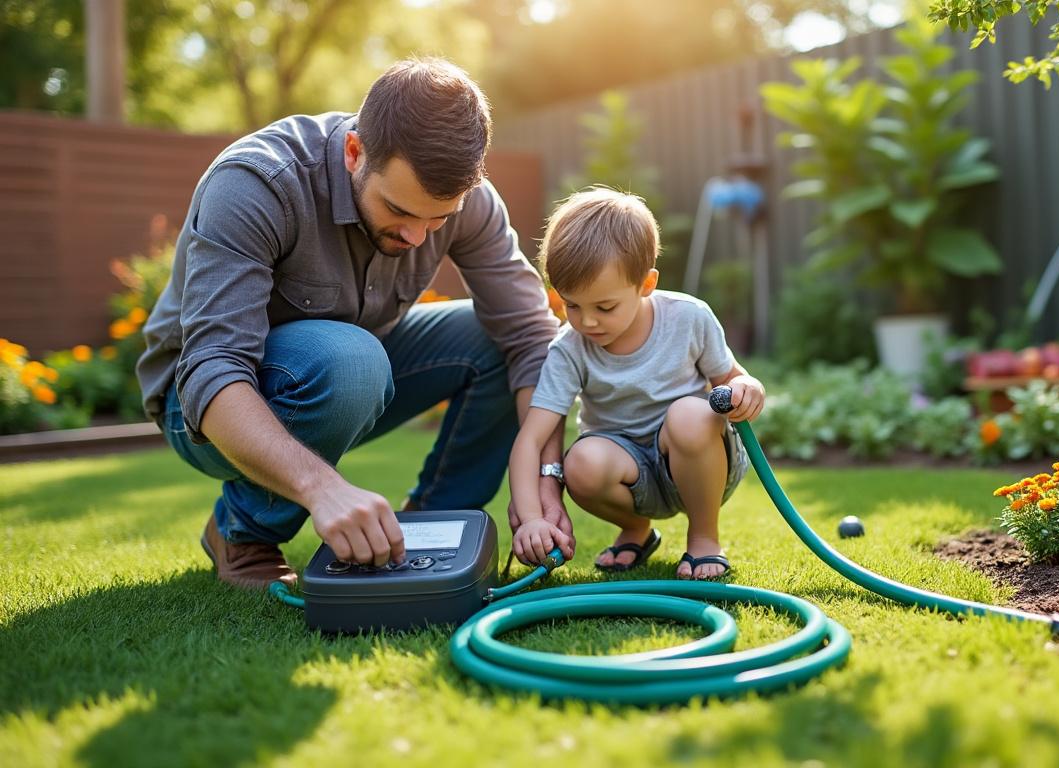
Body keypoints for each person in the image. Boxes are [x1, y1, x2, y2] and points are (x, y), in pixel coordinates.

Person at [137, 58, 574, 590]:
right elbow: (212, 369)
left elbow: (530, 338)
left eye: (437, 219)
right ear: (354, 152)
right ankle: (243, 532)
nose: (417, 237)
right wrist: (323, 488)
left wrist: (545, 477)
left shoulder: (470, 202)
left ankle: (428, 529)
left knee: (497, 339)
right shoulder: (257, 183)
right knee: (350, 358)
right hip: (200, 404)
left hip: (351, 368)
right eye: (398, 210)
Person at [508, 188, 764, 580]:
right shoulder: (568, 349)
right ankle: (635, 531)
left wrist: (750, 389)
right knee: (581, 463)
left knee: (688, 415)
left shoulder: (690, 318)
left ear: (646, 284)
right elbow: (530, 440)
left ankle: (704, 539)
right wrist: (529, 519)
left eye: (604, 307)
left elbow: (732, 379)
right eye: (571, 305)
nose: (587, 322)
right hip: (628, 470)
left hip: (700, 460)